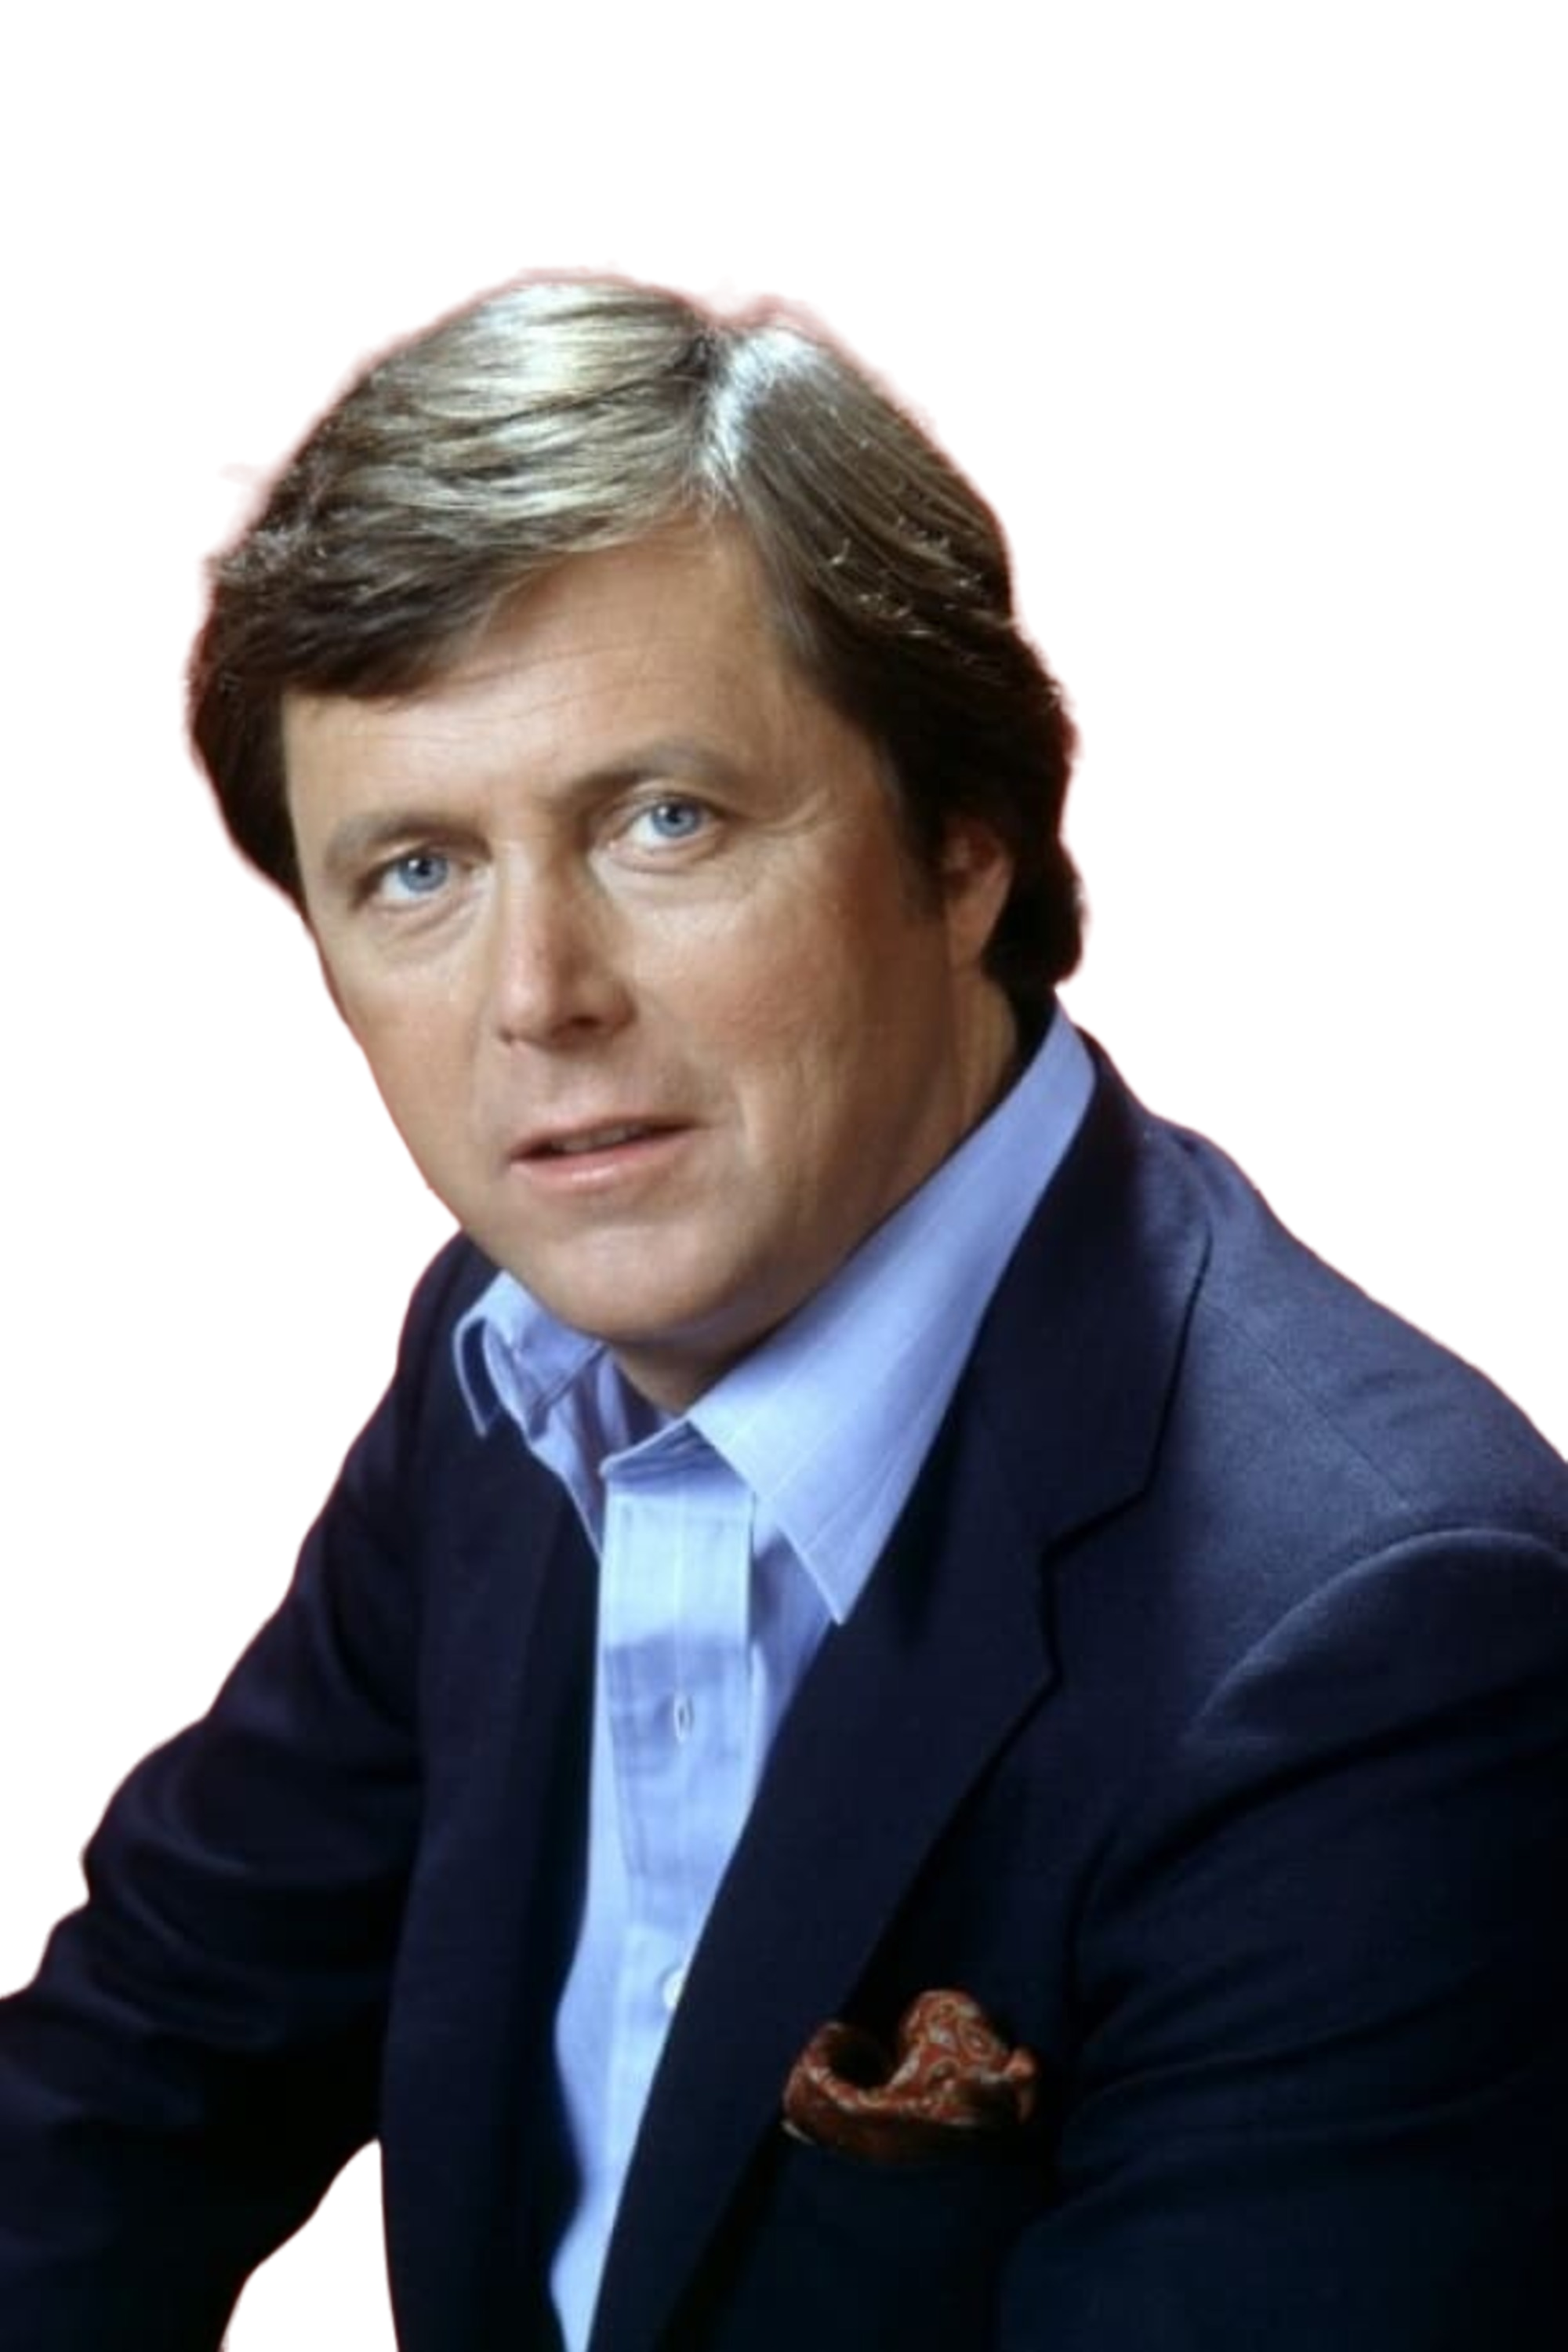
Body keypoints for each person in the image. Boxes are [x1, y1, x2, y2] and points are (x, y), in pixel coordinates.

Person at [3, 265, 1564, 2352]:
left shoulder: (1392, 1638)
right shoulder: (507, 1358)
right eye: (416, 871)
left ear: (967, 842)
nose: (536, 998)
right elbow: (137, 2070)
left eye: (665, 820)